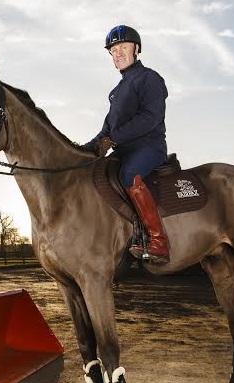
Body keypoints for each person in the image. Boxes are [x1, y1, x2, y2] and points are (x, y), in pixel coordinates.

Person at [82, 24, 170, 263]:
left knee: (129, 174)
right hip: (124, 150)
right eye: (113, 50)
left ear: (136, 49)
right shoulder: (116, 91)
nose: (118, 53)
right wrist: (84, 150)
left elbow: (150, 117)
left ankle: (158, 240)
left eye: (123, 47)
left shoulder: (149, 78)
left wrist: (115, 138)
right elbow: (106, 130)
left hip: (149, 146)